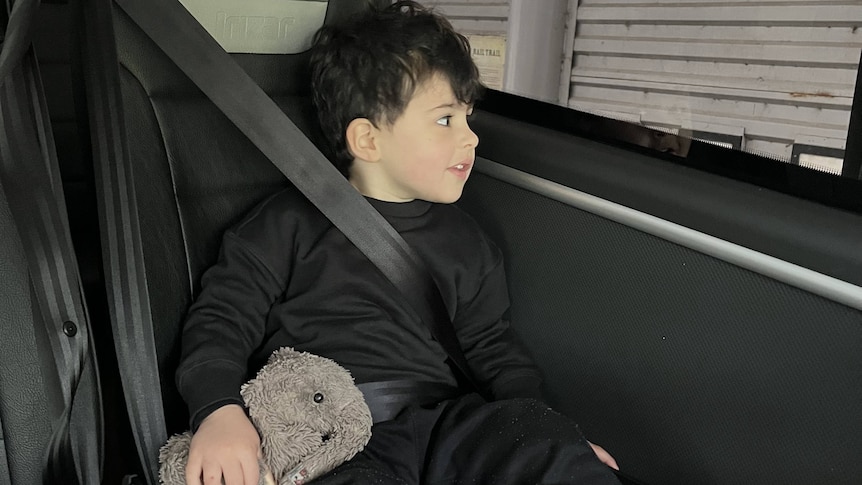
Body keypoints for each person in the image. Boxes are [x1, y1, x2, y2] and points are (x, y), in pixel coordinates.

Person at [176, 2, 621, 484]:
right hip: (331, 438)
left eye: (468, 118)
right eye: (446, 119)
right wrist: (218, 411)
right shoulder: (282, 226)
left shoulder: (468, 242)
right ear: (368, 140)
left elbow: (493, 349)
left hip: (447, 424)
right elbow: (220, 323)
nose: (471, 138)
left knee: (543, 450)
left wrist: (551, 432)